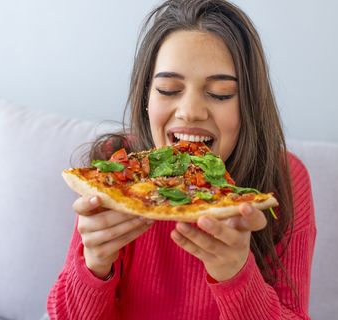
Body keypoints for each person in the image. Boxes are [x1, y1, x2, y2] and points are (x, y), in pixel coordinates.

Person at [47, 0, 316, 319]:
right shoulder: (116, 172)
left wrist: (235, 274)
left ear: (249, 108)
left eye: (220, 94)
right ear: (146, 97)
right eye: (168, 89)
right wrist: (94, 263)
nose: (190, 111)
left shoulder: (285, 179)